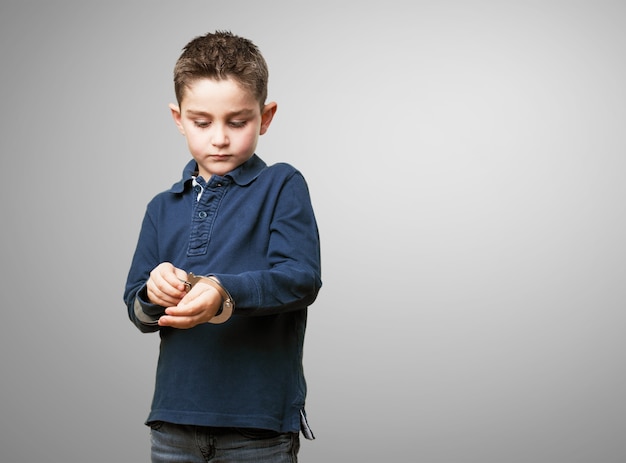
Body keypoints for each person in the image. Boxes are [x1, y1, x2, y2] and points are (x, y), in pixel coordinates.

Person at [123, 30, 322, 463]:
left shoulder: (282, 185)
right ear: (178, 118)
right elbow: (137, 312)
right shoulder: (162, 207)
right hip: (173, 422)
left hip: (257, 425)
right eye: (201, 122)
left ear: (265, 117)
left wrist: (222, 291)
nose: (219, 138)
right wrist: (153, 292)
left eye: (237, 121)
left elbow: (301, 279)